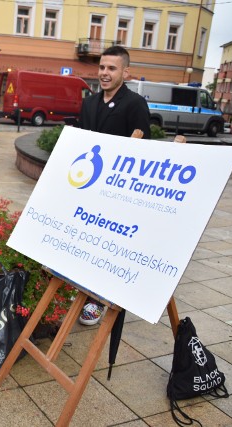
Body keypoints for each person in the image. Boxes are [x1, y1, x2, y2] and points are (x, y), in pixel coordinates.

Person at [78, 45, 150, 325]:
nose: (104, 73)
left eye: (112, 68)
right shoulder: (89, 103)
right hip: (89, 187)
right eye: (102, 68)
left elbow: (143, 152)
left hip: (118, 194)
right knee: (86, 243)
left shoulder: (134, 104)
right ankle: (83, 291)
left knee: (107, 248)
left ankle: (98, 301)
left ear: (125, 72)